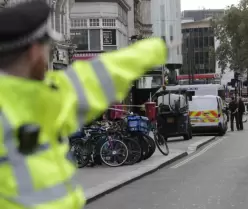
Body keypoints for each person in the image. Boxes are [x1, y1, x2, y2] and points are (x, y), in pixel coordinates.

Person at [0, 1, 167, 208]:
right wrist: (156, 48)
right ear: (34, 52)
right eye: (47, 49)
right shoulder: (49, 98)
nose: (47, 57)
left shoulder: (44, 95)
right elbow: (101, 76)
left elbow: (97, 76)